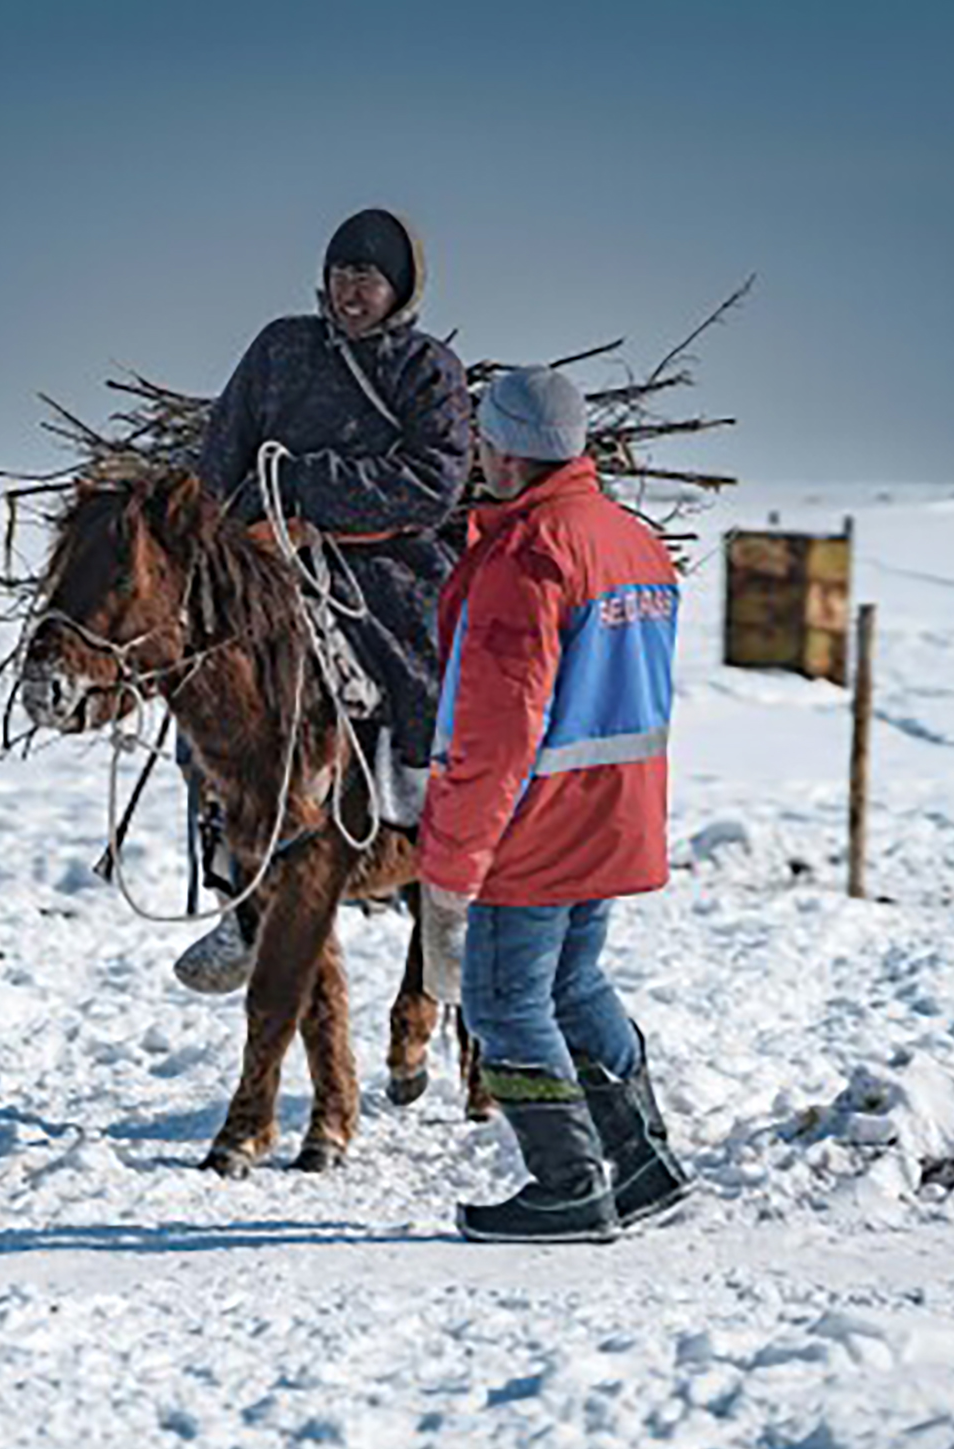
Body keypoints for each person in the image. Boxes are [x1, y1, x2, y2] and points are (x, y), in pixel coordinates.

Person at [418, 365, 691, 1243]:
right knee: (573, 983)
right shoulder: (631, 540)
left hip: (540, 818)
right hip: (619, 807)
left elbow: (497, 727)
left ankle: (569, 1184)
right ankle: (642, 1164)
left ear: (502, 449)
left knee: (504, 1002)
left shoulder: (529, 554)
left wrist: (454, 857)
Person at [174, 206, 472, 993]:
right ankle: (236, 893)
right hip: (269, 557)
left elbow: (432, 483)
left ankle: (438, 870)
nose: (350, 288)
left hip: (389, 563)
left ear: (400, 288)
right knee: (205, 692)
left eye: (368, 276)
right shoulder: (280, 349)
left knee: (423, 681)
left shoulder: (426, 370)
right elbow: (222, 452)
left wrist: (311, 490)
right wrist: (238, 532)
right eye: (341, 272)